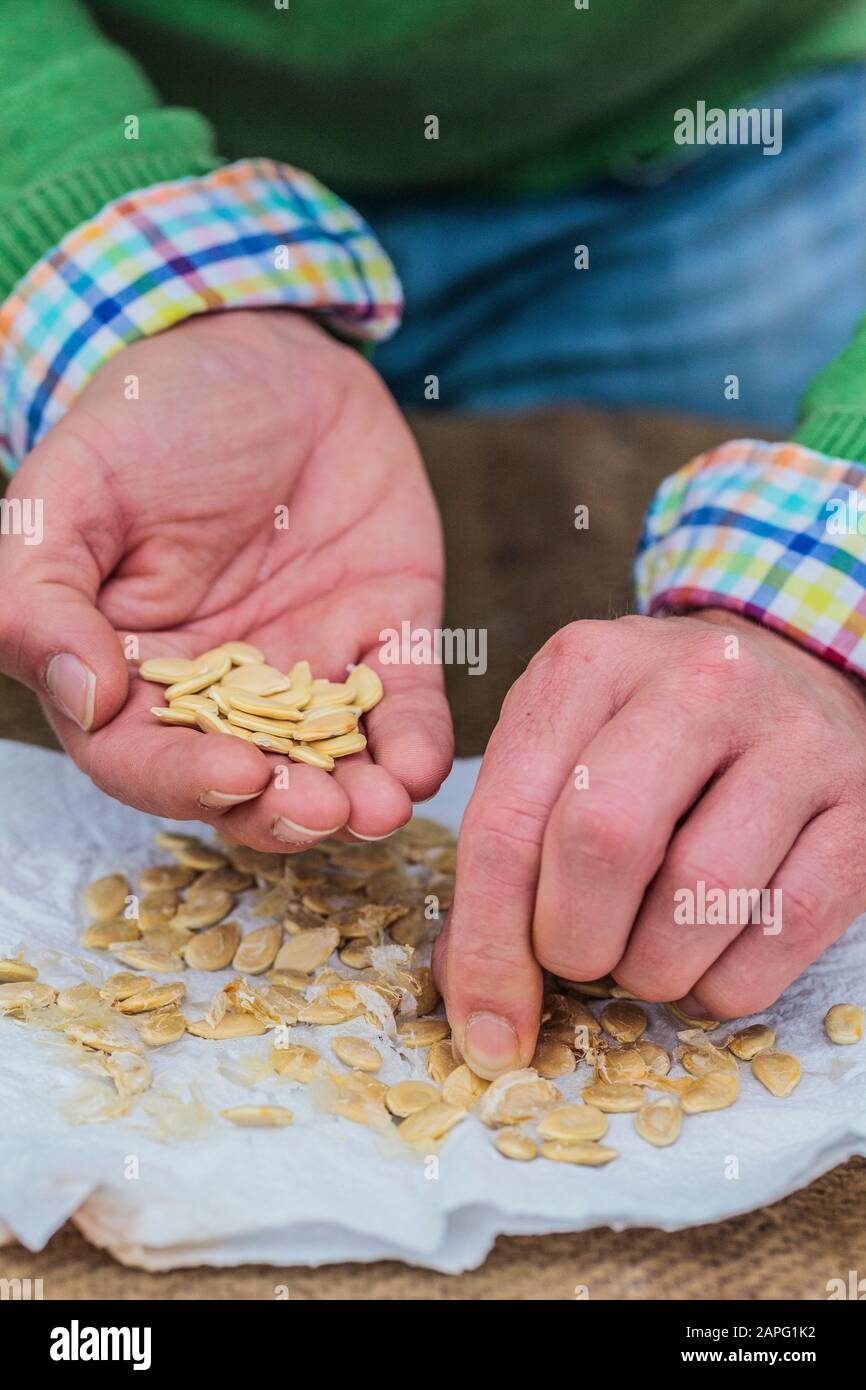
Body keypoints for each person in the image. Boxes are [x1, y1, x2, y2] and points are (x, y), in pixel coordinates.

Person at [2, 1, 866, 1080]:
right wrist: (122, 265)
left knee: (727, 789)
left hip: (737, 173)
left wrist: (829, 586)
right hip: (79, 128)